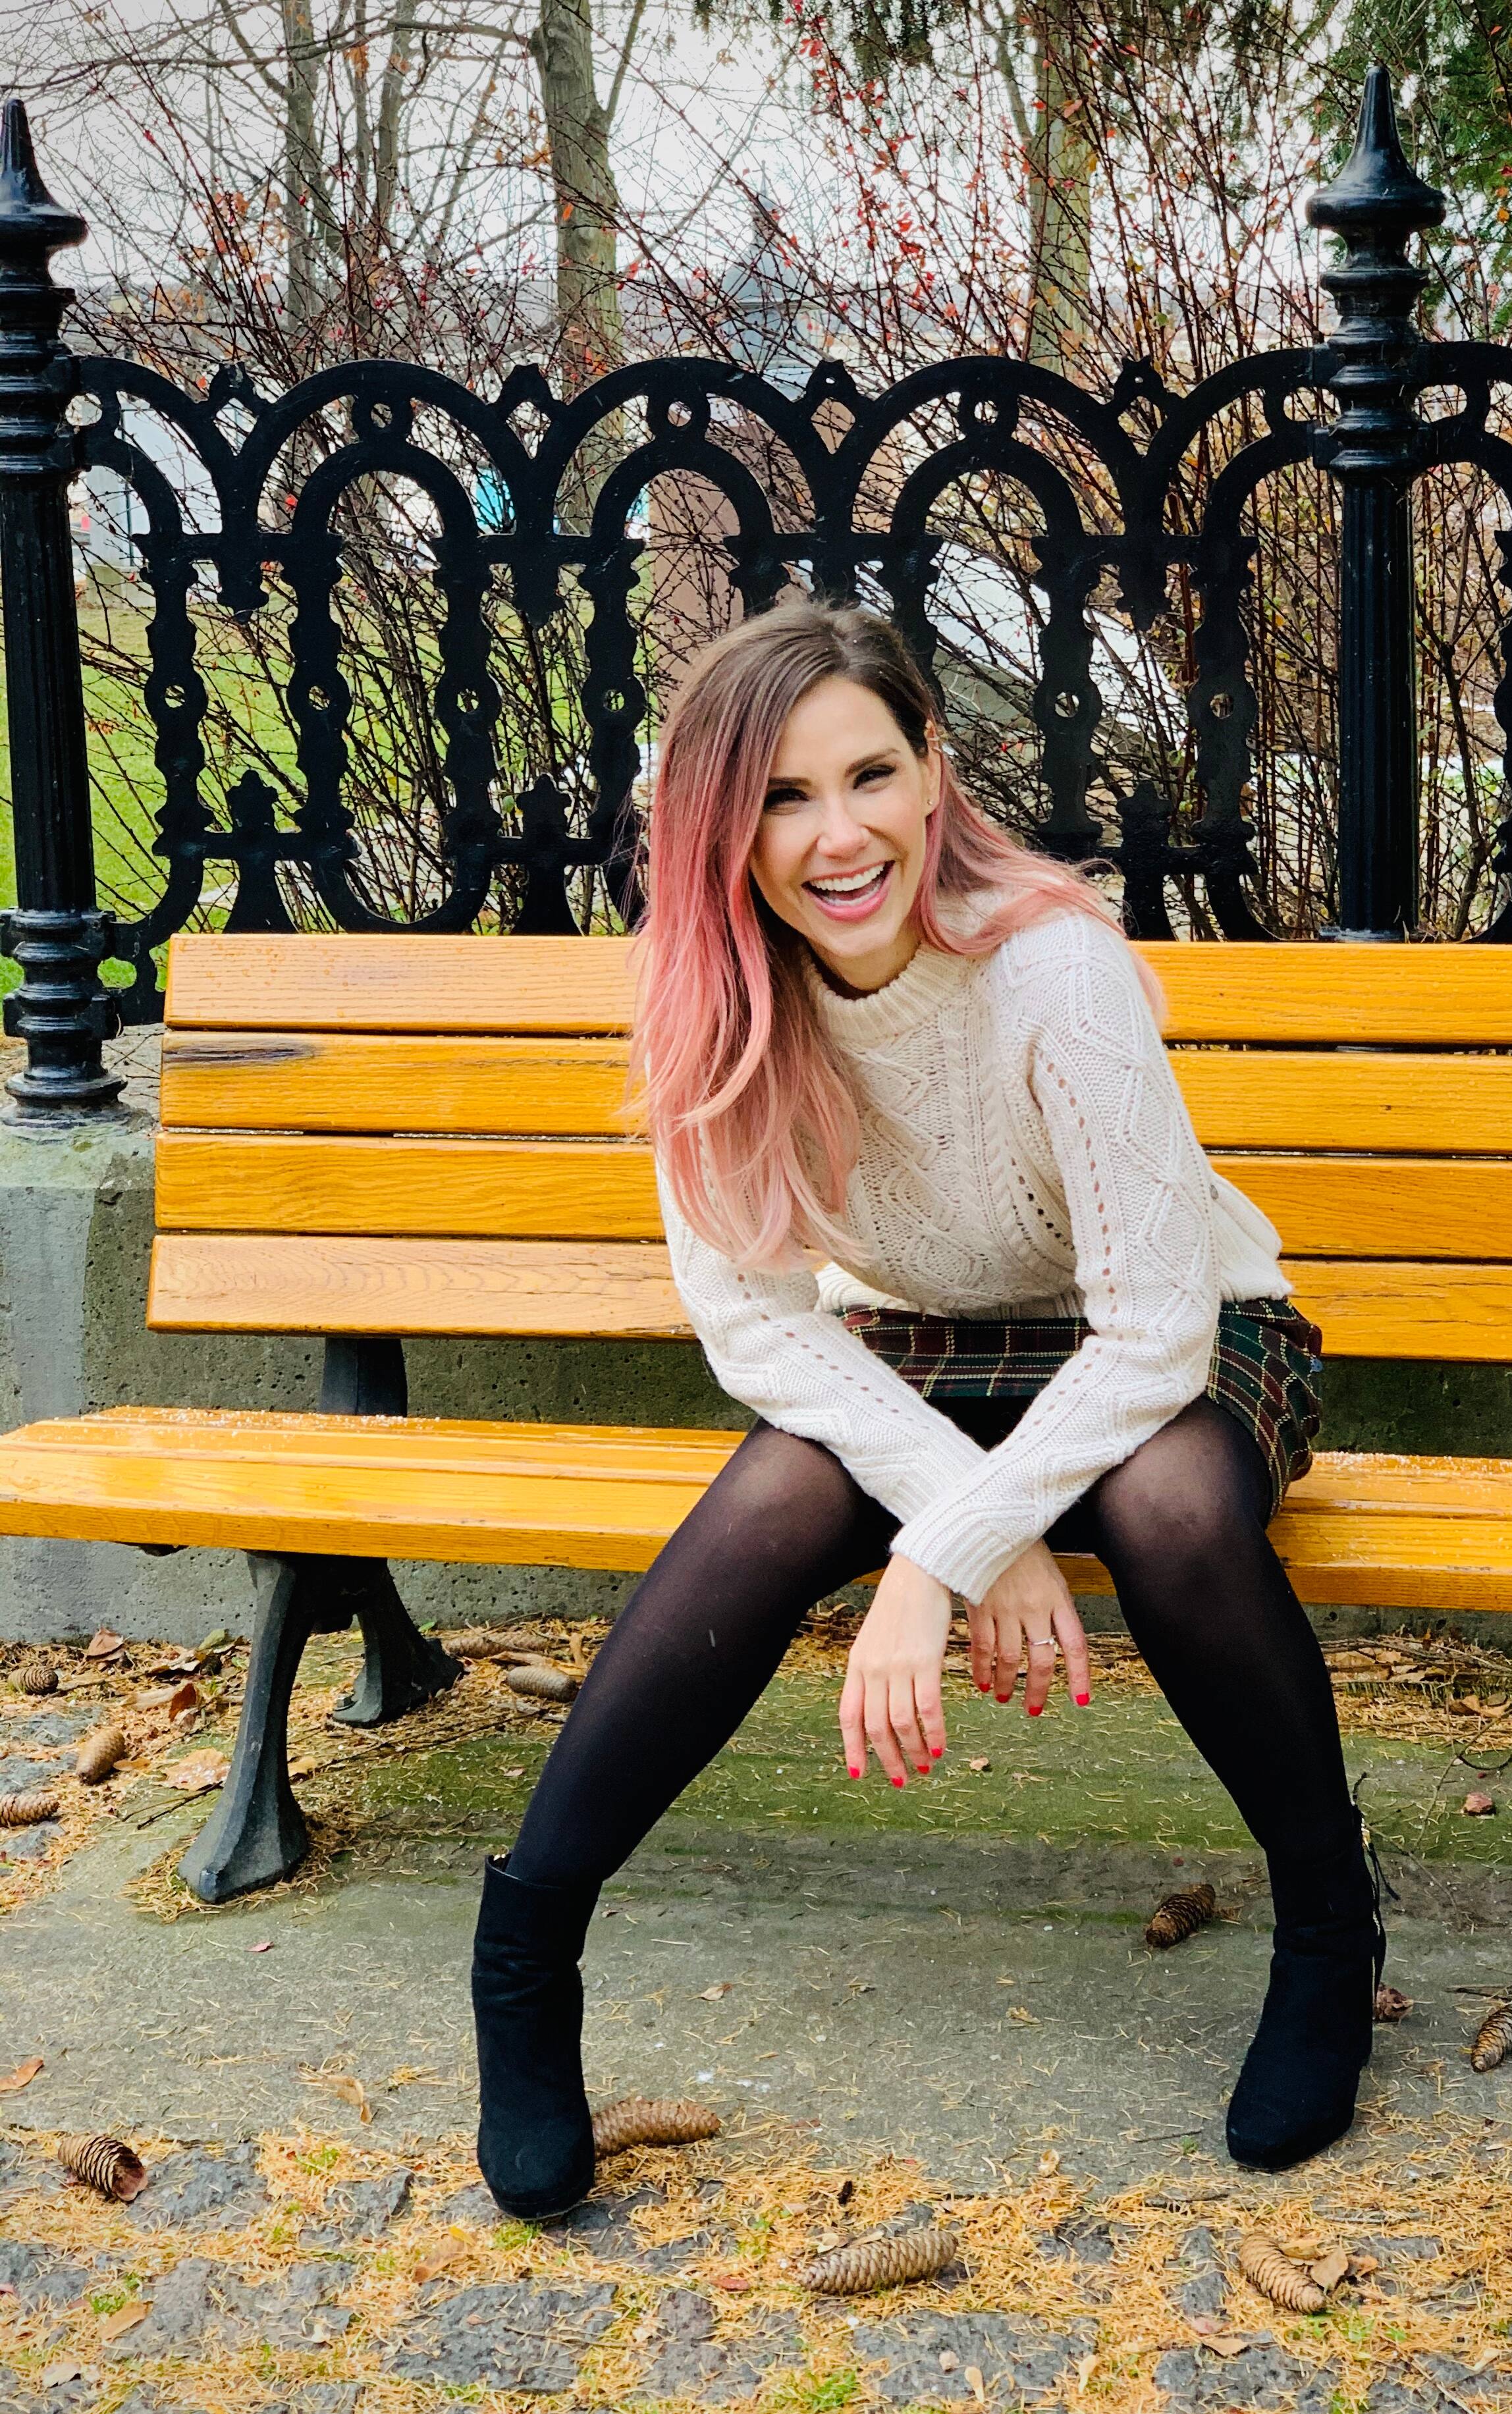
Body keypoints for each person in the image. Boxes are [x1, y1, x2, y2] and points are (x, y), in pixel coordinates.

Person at [470, 595, 1383, 2220]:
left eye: (870, 775)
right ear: (720, 829)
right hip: (918, 1341)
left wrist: (933, 1557)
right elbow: (757, 1330)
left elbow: (1154, 1335)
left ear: (934, 769)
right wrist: (991, 1528)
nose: (840, 836)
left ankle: (1329, 1926)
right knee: (776, 1492)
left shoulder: (1053, 971)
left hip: (1183, 1335)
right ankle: (525, 1950)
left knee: (1170, 1507)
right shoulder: (711, 995)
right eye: (782, 797)